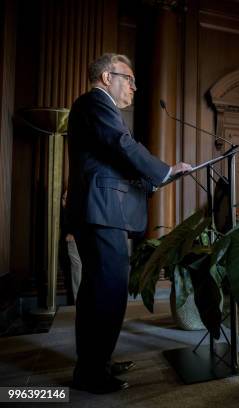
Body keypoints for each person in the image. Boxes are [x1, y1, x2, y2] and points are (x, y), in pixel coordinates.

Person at [66, 53, 192, 393]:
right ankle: (92, 374)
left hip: (101, 210)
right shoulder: (96, 102)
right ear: (108, 77)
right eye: (129, 79)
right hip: (101, 211)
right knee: (108, 291)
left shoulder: (97, 109)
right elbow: (123, 146)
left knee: (96, 291)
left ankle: (95, 363)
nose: (134, 88)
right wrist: (165, 170)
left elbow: (113, 159)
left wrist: (157, 181)